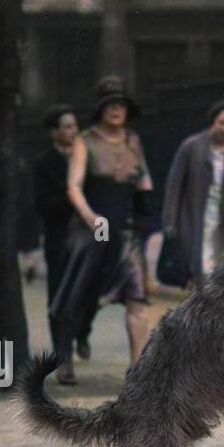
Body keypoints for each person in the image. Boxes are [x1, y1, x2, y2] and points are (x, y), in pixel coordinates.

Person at [49, 76, 154, 383]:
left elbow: (143, 175)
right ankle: (65, 359)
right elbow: (73, 187)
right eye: (110, 105)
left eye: (120, 105)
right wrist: (91, 217)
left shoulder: (133, 140)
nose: (115, 110)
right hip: (93, 228)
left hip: (125, 228)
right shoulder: (85, 141)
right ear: (100, 109)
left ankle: (138, 368)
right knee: (78, 295)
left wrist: (146, 197)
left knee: (137, 296)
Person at [162, 101, 224, 286]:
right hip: (195, 215)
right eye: (221, 122)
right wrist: (170, 221)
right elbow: (174, 186)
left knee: (219, 266)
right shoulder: (191, 146)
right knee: (198, 262)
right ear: (213, 121)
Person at [33, 104, 92, 360]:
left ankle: (82, 333)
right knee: (58, 293)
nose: (74, 131)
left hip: (87, 236)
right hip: (59, 236)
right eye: (67, 126)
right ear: (54, 131)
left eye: (75, 126)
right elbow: (41, 203)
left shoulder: (86, 157)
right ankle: (62, 348)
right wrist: (72, 197)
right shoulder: (44, 162)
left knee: (89, 292)